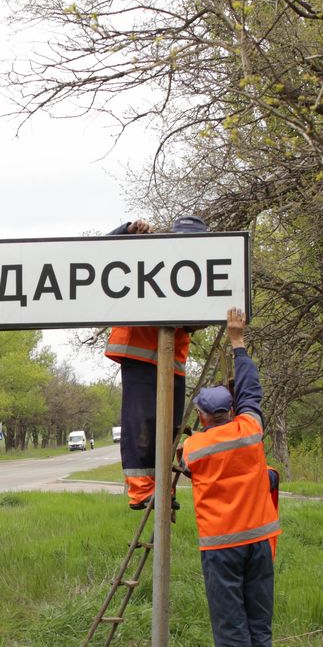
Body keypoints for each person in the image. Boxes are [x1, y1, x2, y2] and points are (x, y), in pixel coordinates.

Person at [180, 307, 281, 647]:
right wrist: (238, 343)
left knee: (231, 625)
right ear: (232, 410)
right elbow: (252, 393)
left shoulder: (194, 448)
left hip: (221, 548)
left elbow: (187, 466)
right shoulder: (250, 431)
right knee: (259, 623)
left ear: (203, 417)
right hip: (259, 542)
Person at [104, 215, 207, 509]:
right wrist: (126, 231)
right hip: (138, 352)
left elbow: (194, 321)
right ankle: (141, 491)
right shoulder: (147, 254)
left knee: (170, 429)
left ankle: (163, 490)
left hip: (172, 358)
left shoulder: (199, 270)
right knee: (141, 426)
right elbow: (99, 252)